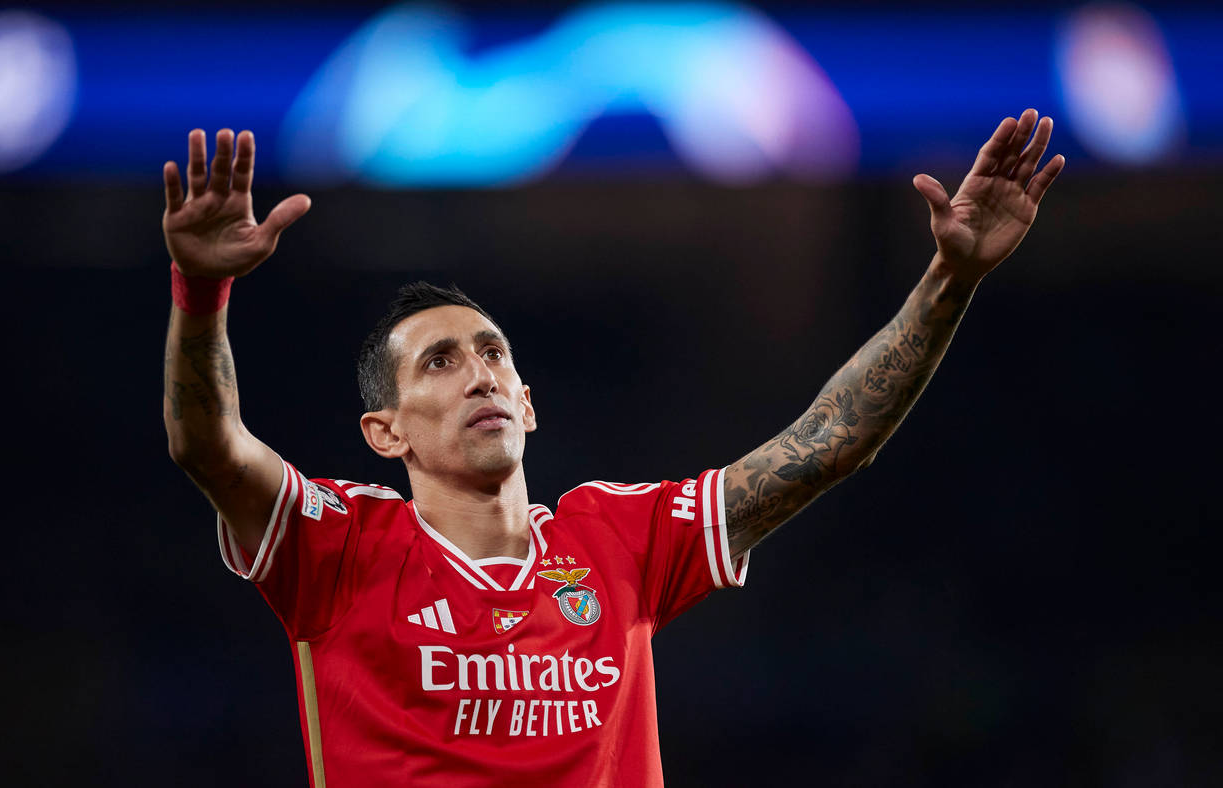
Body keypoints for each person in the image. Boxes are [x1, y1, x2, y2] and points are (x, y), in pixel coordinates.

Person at [161, 111, 1064, 786]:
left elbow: (827, 443)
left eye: (494, 355)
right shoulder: (339, 547)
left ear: (528, 405)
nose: (479, 375)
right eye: (440, 361)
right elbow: (209, 446)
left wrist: (951, 277)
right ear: (384, 431)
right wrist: (201, 293)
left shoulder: (616, 538)